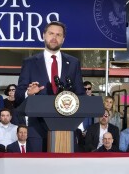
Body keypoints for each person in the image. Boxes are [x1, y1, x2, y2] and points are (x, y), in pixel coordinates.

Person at [15, 21, 85, 152]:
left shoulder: (73, 63)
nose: (54, 37)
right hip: (37, 128)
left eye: (59, 35)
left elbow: (80, 94)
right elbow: (18, 96)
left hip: (66, 126)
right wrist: (28, 93)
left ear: (63, 39)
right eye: (51, 33)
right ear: (43, 36)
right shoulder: (30, 63)